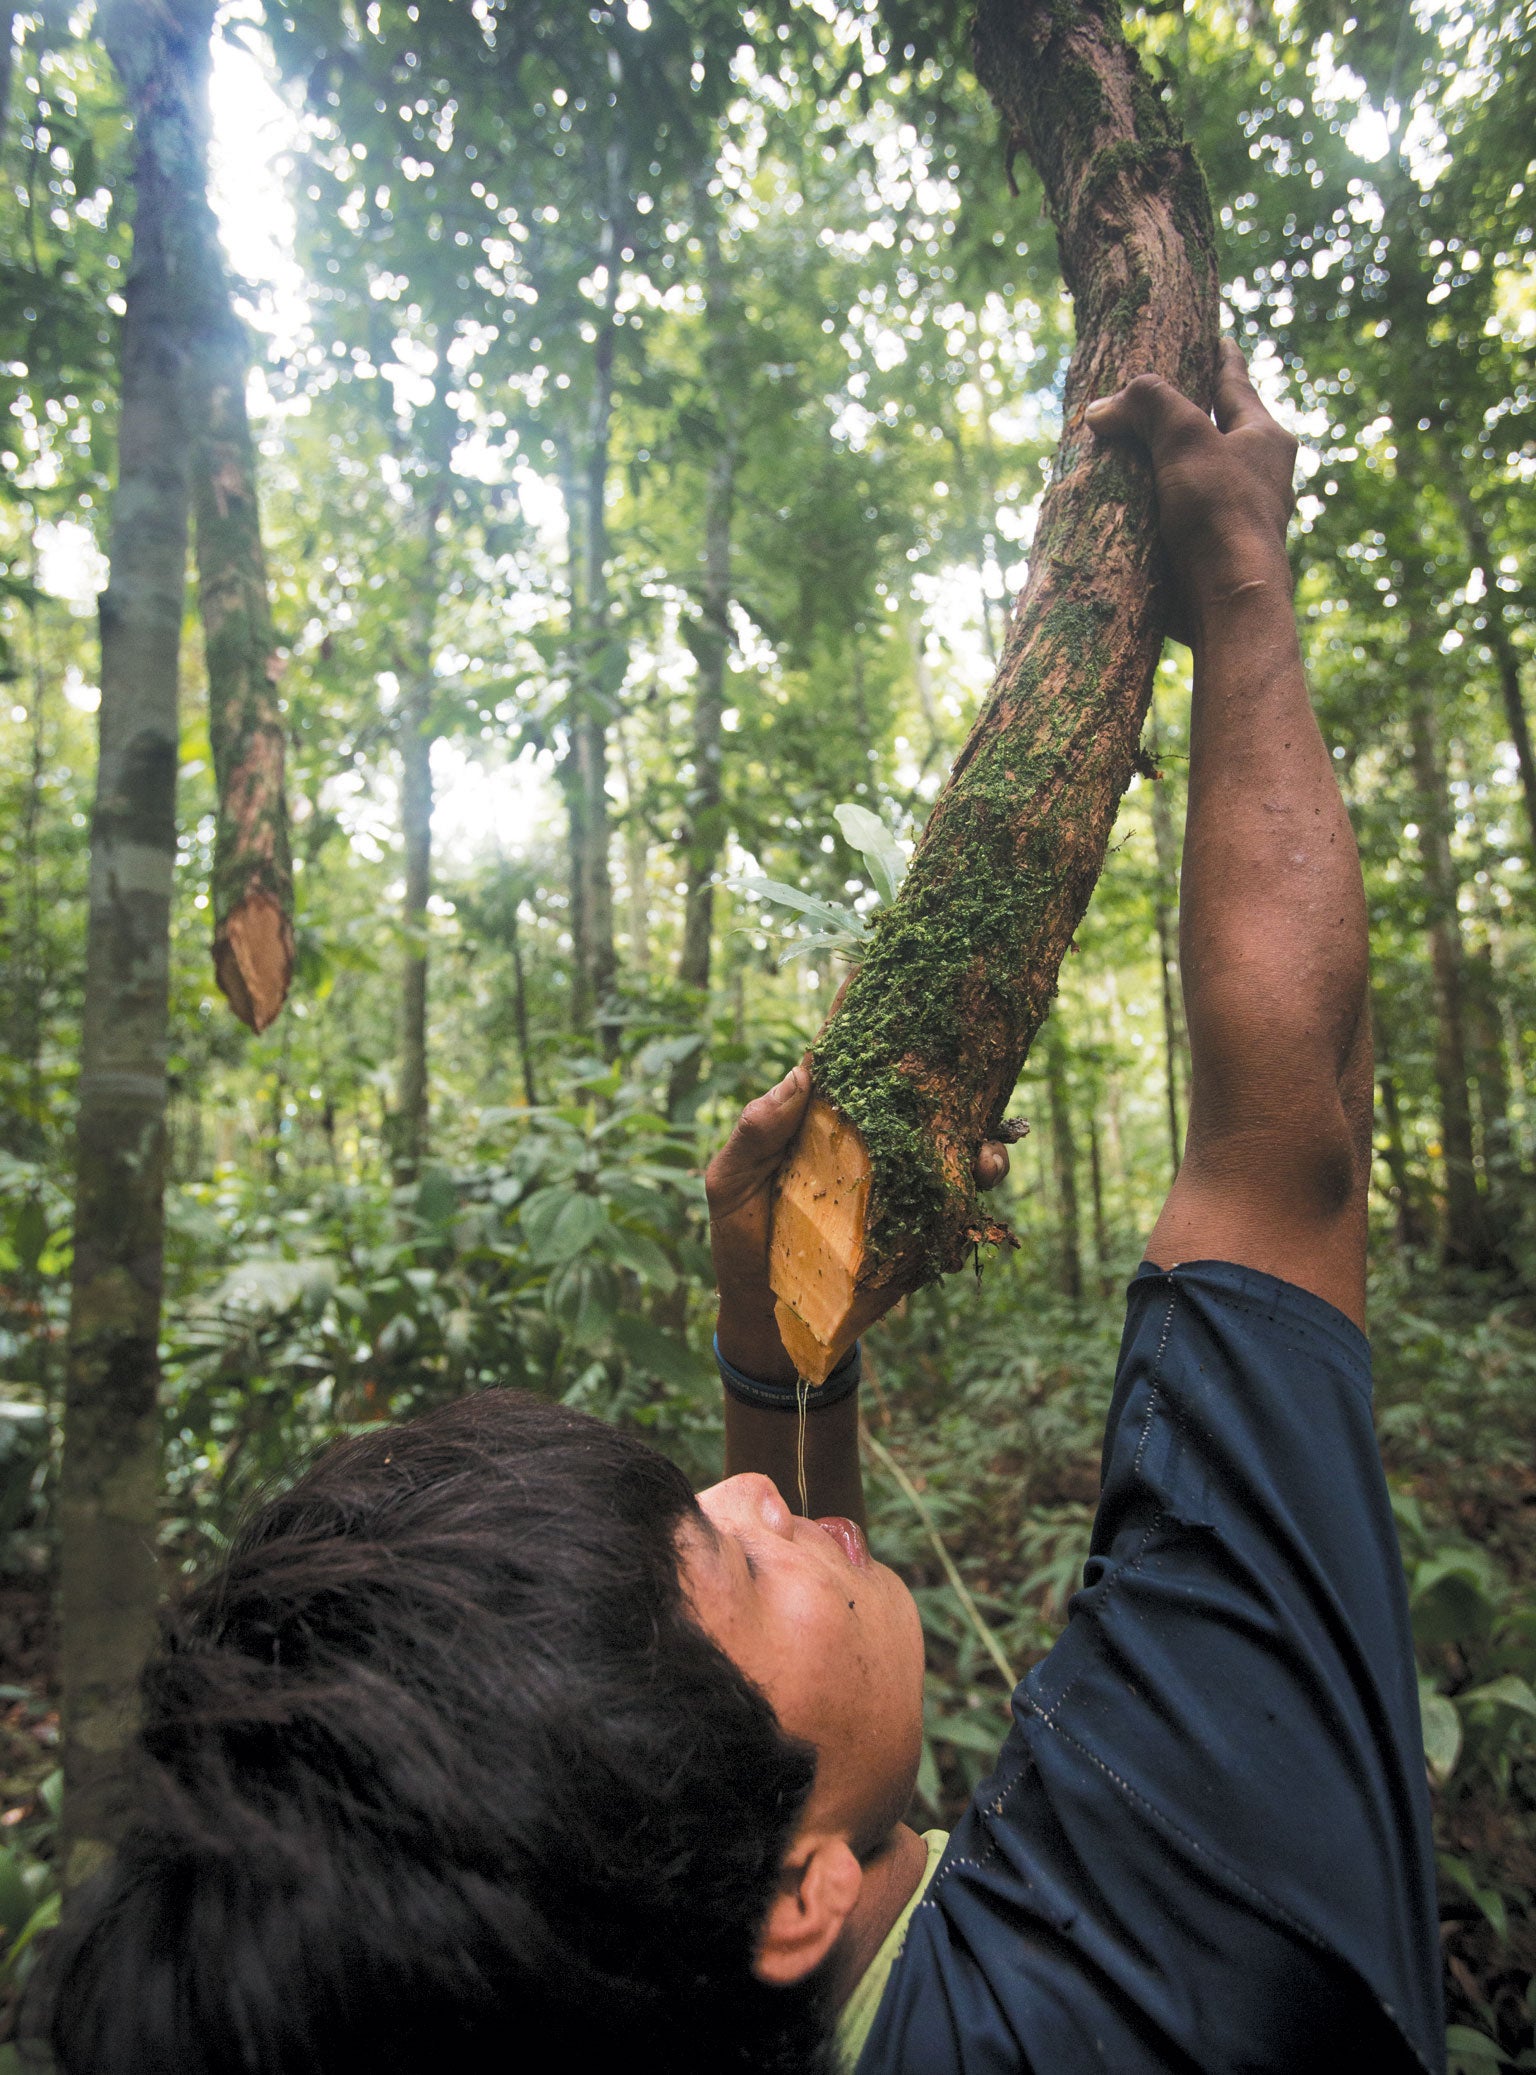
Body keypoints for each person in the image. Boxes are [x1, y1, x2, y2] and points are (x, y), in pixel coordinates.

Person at [25, 345, 1443, 2075]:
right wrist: (1235, 565)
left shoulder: (680, 1994)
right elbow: (1282, 1158)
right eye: (723, 1557)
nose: (756, 1488)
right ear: (784, 1902)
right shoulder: (1182, 1933)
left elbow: (823, 1774)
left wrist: (787, 1372)